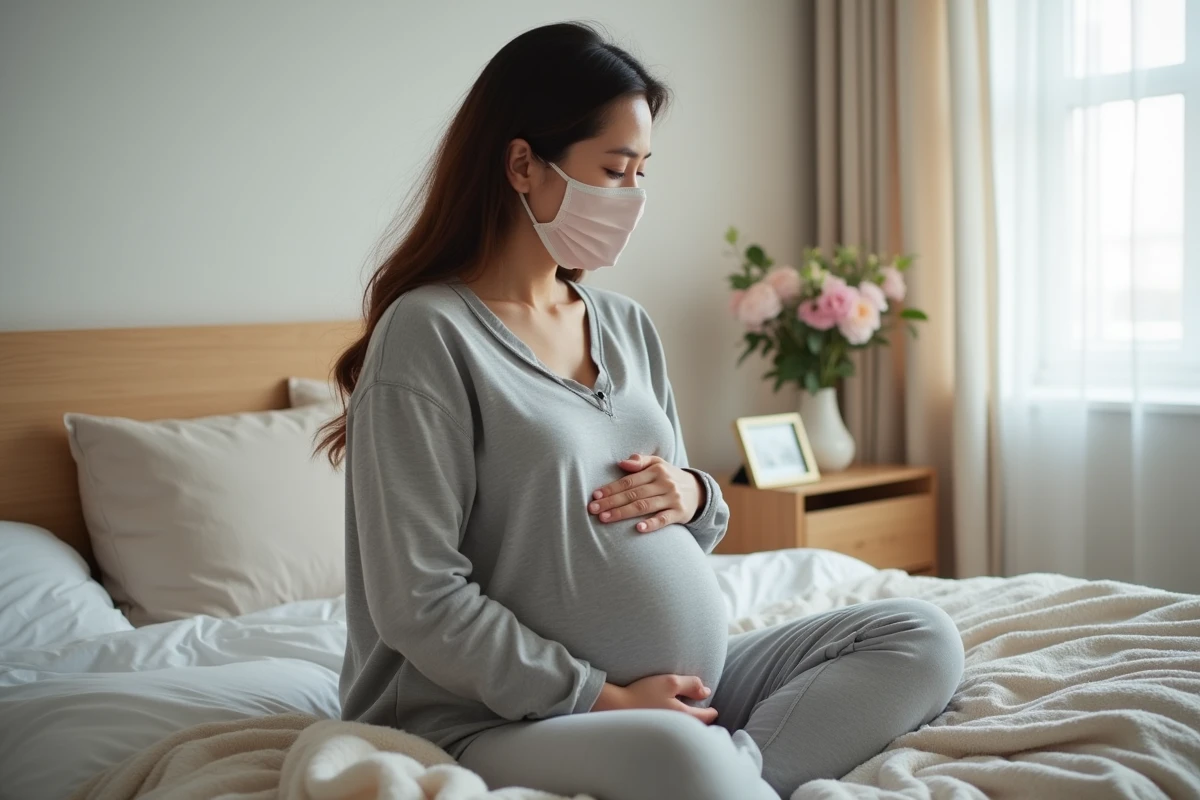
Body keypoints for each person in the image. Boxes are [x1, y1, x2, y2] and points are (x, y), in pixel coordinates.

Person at [317, 21, 964, 800]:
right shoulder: (429, 335)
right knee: (678, 757)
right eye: (616, 170)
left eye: (642, 171)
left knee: (921, 636)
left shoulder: (623, 325)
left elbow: (689, 523)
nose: (634, 197)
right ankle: (710, 770)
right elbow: (417, 601)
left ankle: (732, 773)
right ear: (523, 163)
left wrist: (694, 491)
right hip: (487, 718)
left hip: (683, 692)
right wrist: (605, 698)